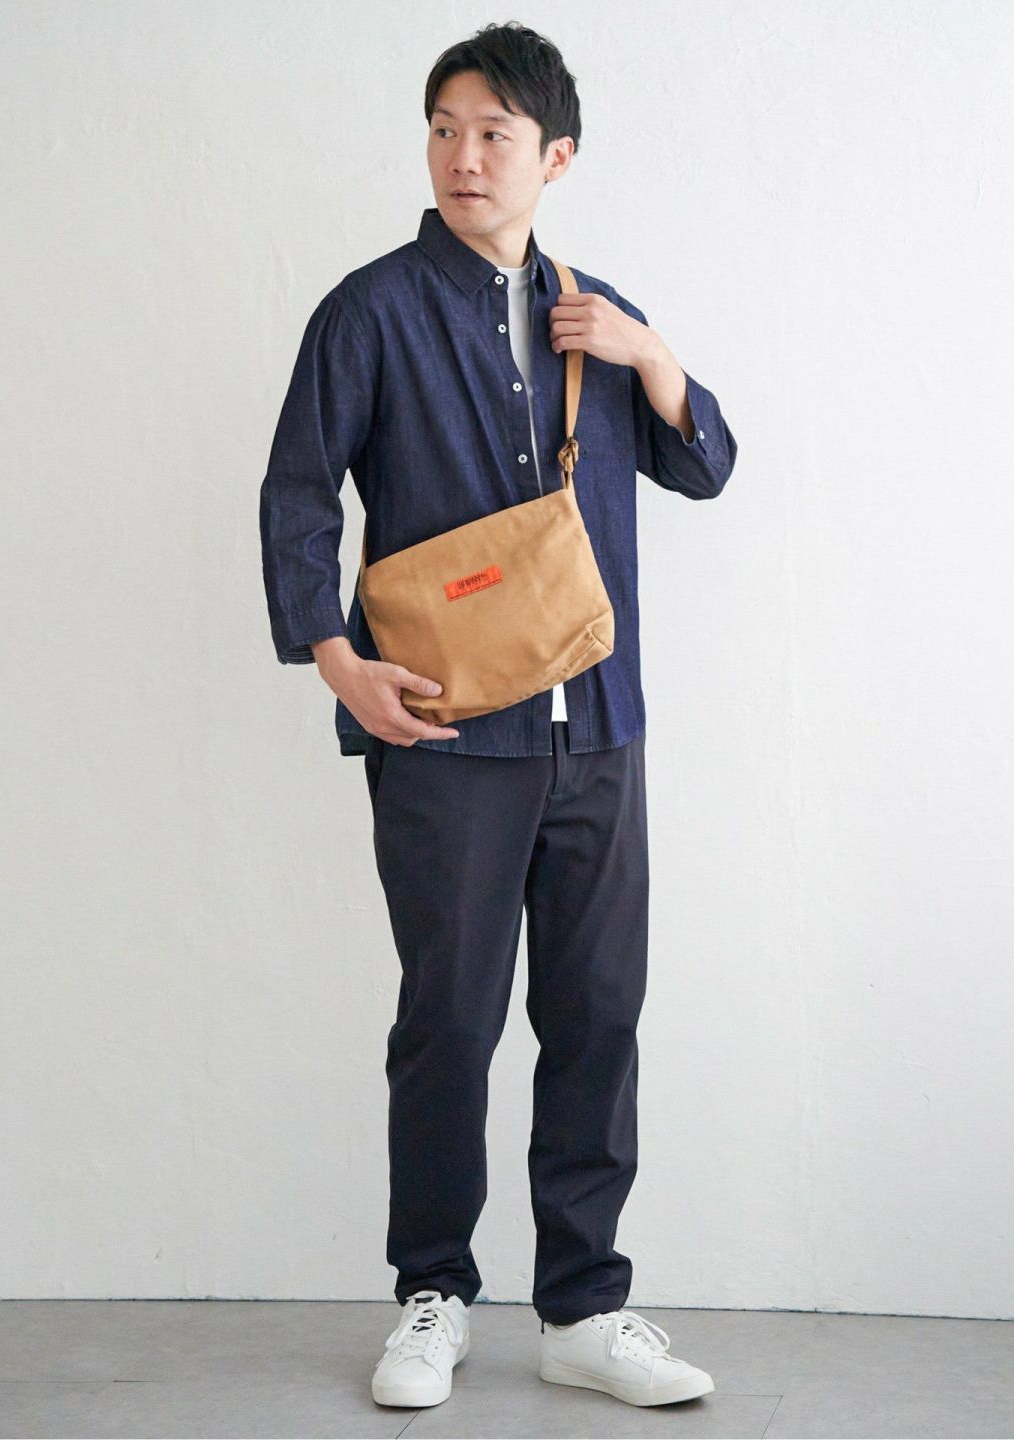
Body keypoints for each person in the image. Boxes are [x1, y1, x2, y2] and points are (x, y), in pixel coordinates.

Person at [258, 20, 737, 1412]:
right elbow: (299, 490)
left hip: (599, 729)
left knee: (597, 1015)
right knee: (449, 1022)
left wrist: (650, 356)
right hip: (449, 733)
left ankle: (585, 1308)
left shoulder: (600, 311)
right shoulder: (369, 312)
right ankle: (433, 1294)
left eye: (494, 134)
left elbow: (707, 463)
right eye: (445, 129)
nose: (464, 157)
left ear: (555, 156)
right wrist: (335, 658)